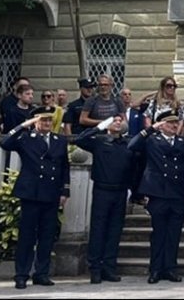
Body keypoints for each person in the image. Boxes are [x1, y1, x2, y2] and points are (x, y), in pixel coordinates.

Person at [0, 106, 70, 289]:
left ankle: (41, 273)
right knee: (27, 236)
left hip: (51, 192)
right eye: (42, 120)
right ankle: (21, 274)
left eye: (49, 120)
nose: (47, 123)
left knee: (47, 236)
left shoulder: (59, 140)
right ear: (35, 121)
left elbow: (64, 167)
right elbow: (5, 142)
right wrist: (24, 125)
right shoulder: (25, 138)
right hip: (32, 192)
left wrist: (65, 191)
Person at [73, 114, 135, 284]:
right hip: (102, 190)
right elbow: (79, 139)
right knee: (98, 229)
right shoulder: (99, 141)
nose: (117, 122)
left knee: (114, 231)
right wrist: (100, 126)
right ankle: (95, 268)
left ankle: (109, 267)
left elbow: (132, 167)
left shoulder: (127, 143)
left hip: (120, 191)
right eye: (114, 120)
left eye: (119, 120)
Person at [129, 109, 184, 284]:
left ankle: (170, 268)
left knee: (174, 234)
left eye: (176, 122)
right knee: (158, 233)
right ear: (161, 125)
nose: (174, 125)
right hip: (158, 193)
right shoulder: (152, 140)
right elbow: (132, 145)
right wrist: (150, 129)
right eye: (170, 123)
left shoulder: (181, 142)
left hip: (177, 193)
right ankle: (155, 269)